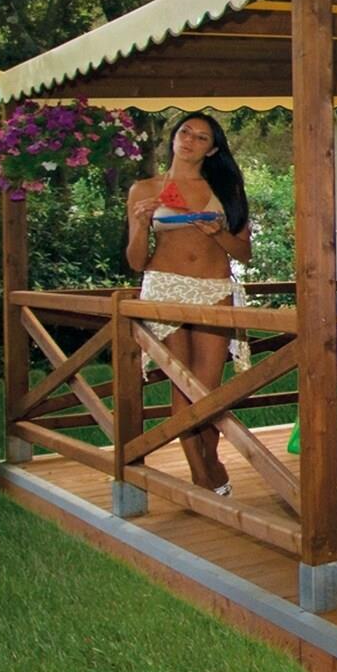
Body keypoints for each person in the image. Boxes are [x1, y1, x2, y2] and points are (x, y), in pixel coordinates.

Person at [125, 113, 253, 494]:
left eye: (201, 137)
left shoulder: (225, 187)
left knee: (208, 389)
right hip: (165, 288)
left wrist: (218, 233)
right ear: (174, 137)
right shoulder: (145, 189)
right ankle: (200, 473)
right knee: (182, 385)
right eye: (185, 132)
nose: (190, 141)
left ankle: (211, 459)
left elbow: (243, 253)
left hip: (213, 288)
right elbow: (136, 261)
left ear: (212, 149)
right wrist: (140, 225)